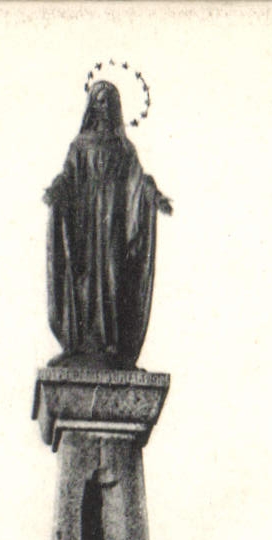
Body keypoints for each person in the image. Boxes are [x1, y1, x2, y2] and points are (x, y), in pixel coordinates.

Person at [44, 80, 172, 368]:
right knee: (85, 282)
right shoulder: (79, 146)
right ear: (92, 106)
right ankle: (81, 344)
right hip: (86, 228)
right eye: (99, 101)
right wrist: (57, 189)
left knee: (114, 279)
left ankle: (113, 345)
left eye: (109, 101)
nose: (104, 107)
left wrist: (154, 196)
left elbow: (137, 180)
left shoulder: (124, 149)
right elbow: (68, 176)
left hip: (112, 225)